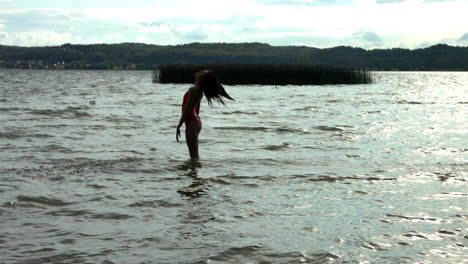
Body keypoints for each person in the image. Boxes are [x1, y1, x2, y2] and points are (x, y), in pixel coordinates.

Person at [176, 69, 234, 160]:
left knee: (194, 157)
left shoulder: (194, 90)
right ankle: (193, 173)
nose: (199, 71)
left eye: (202, 72)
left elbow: (187, 111)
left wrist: (179, 125)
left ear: (202, 78)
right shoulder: (198, 90)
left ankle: (193, 173)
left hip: (192, 123)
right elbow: (194, 110)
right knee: (194, 156)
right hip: (195, 122)